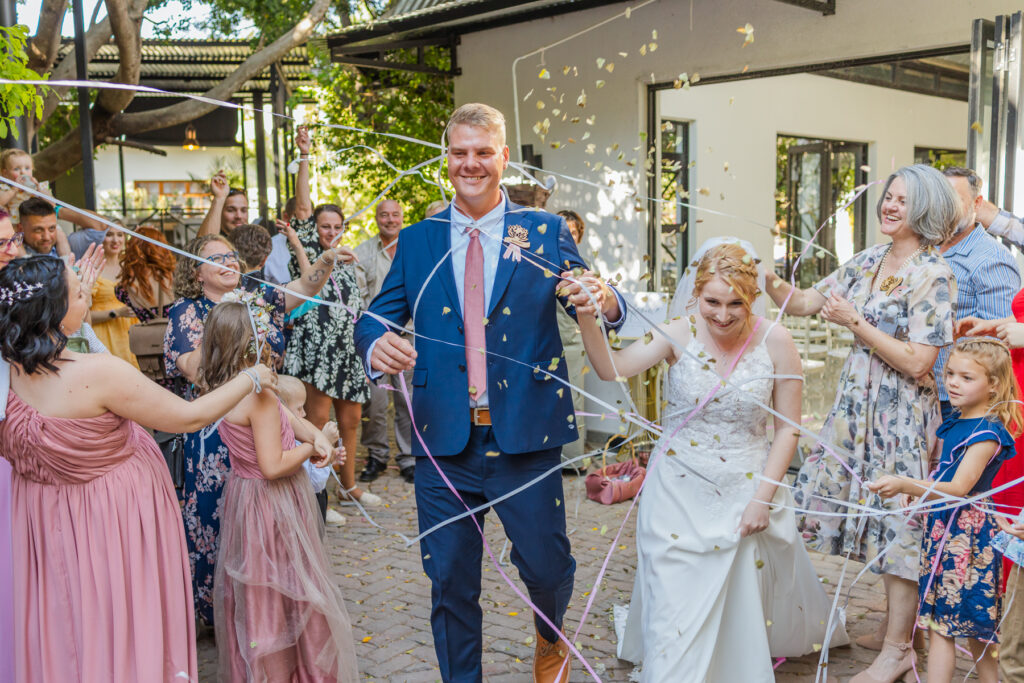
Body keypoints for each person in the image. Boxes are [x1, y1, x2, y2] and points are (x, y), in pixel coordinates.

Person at [353, 102, 626, 683]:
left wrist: (601, 299)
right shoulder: (419, 240)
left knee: (547, 568)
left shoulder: (545, 230)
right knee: (449, 579)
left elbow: (602, 299)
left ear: (504, 157)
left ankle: (549, 637)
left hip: (526, 436)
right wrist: (374, 344)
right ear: (445, 159)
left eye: (483, 152)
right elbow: (375, 317)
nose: (470, 164)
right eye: (459, 153)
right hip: (442, 440)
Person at [0, 254, 276, 681]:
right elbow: (189, 417)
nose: (88, 295)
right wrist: (251, 377)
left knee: (67, 611)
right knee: (118, 611)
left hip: (43, 515)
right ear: (52, 310)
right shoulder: (102, 374)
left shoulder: (8, 374)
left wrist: (73, 304)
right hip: (112, 516)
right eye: (79, 293)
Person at [583, 238, 847, 680]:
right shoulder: (676, 332)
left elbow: (787, 428)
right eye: (712, 302)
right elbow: (613, 368)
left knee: (733, 597)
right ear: (695, 293)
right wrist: (588, 316)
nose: (722, 315)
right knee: (672, 594)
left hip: (744, 485)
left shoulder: (778, 341)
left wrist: (762, 498)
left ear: (753, 300)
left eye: (735, 305)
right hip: (675, 487)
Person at [764, 164, 959, 683]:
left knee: (901, 527)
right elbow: (804, 302)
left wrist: (856, 323)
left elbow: (920, 361)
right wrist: (762, 275)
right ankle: (900, 636)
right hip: (856, 409)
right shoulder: (870, 259)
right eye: (887, 196)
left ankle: (898, 651)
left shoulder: (933, 272)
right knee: (868, 519)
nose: (889, 206)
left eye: (901, 199)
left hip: (901, 414)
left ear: (925, 210)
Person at [165, 231, 340, 625]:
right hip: (214, 428)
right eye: (217, 258)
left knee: (270, 525)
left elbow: (303, 288)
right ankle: (221, 613)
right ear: (197, 273)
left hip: (268, 413)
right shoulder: (187, 312)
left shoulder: (258, 297)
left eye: (232, 255)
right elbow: (196, 370)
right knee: (219, 521)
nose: (229, 261)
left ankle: (273, 607)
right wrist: (238, 356)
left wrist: (326, 260)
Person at [196, 302, 359, 682]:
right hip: (274, 505)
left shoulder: (227, 388)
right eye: (264, 335)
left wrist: (317, 438)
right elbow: (272, 465)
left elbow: (298, 425)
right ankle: (291, 673)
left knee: (261, 598)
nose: (271, 342)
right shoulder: (260, 398)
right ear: (249, 344)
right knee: (285, 594)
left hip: (245, 500)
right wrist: (317, 448)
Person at [868, 338, 1021, 683]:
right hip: (945, 528)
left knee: (975, 626)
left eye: (967, 378)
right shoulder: (957, 420)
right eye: (950, 373)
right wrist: (924, 494)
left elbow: (960, 489)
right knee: (941, 622)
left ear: (993, 385)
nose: (953, 382)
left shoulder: (986, 434)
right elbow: (945, 474)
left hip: (967, 536)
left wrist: (909, 484)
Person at [284, 126, 374, 508]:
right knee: (317, 422)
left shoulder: (350, 259)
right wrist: (305, 155)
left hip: (347, 352)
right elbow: (303, 206)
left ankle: (348, 486)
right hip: (316, 353)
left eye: (337, 228)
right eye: (325, 227)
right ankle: (314, 493)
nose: (331, 233)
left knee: (351, 421)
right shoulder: (307, 251)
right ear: (313, 230)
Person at [932, 168, 1019, 420]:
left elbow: (998, 350)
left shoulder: (991, 259)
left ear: (977, 203)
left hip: (957, 404)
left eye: (954, 200)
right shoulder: (925, 247)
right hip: (920, 391)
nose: (944, 209)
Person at [355, 199, 415, 484]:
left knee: (409, 401)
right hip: (376, 342)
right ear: (376, 218)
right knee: (375, 404)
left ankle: (409, 458)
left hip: (411, 338)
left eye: (395, 214)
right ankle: (376, 456)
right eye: (384, 215)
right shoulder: (363, 252)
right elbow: (357, 300)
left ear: (402, 216)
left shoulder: (416, 247)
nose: (390, 219)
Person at [278, 374, 339, 524]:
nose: (304, 413)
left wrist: (330, 456)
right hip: (305, 505)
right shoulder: (293, 442)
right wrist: (324, 444)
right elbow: (315, 482)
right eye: (299, 408)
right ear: (282, 411)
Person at [555, 209, 589, 473]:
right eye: (562, 231)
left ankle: (573, 458)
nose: (568, 237)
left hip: (572, 342)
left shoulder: (582, 269)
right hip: (545, 341)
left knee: (574, 399)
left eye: (572, 232)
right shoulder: (541, 262)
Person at [88, 226, 139, 367]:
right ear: (100, 238)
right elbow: (83, 316)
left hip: (131, 334)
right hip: (104, 335)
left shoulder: (131, 267)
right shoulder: (93, 268)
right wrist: (116, 313)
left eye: (120, 235)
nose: (115, 240)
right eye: (109, 235)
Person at [197, 172, 248, 239]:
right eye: (231, 210)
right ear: (220, 212)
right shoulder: (218, 241)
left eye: (244, 210)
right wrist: (219, 197)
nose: (239, 216)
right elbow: (204, 243)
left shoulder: (251, 238)